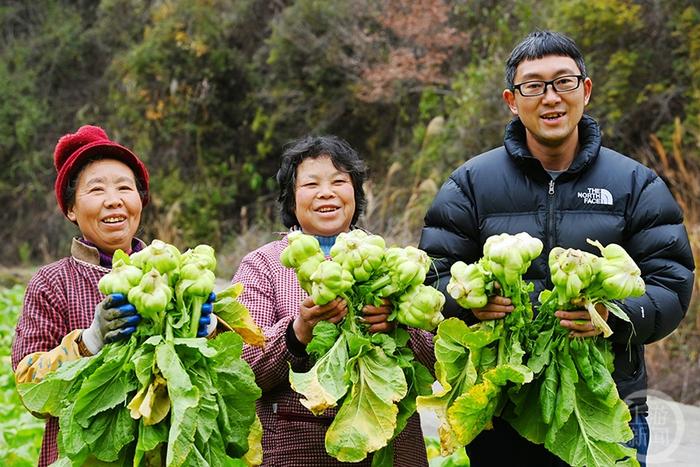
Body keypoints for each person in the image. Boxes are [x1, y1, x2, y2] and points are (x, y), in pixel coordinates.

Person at [418, 30, 695, 466]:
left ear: (585, 90)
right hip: (497, 409)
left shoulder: (636, 185)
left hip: (606, 405)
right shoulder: (469, 184)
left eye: (564, 82)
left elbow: (672, 283)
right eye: (534, 85)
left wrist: (613, 317)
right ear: (512, 99)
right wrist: (468, 303)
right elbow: (432, 275)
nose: (551, 98)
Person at [11, 125, 218, 466]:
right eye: (96, 190)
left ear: (140, 201)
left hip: (165, 454)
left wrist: (204, 331)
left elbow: (218, 377)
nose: (114, 200)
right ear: (71, 209)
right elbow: (29, 391)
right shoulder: (51, 282)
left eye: (125, 188)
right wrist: (89, 342)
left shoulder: (176, 273)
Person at [234, 135, 435, 466]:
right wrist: (297, 333)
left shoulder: (393, 263)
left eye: (339, 182)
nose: (326, 192)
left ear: (356, 193)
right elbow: (244, 368)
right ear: (290, 200)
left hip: (392, 449)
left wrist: (398, 324)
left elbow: (434, 363)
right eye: (311, 184)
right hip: (297, 450)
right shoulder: (264, 265)